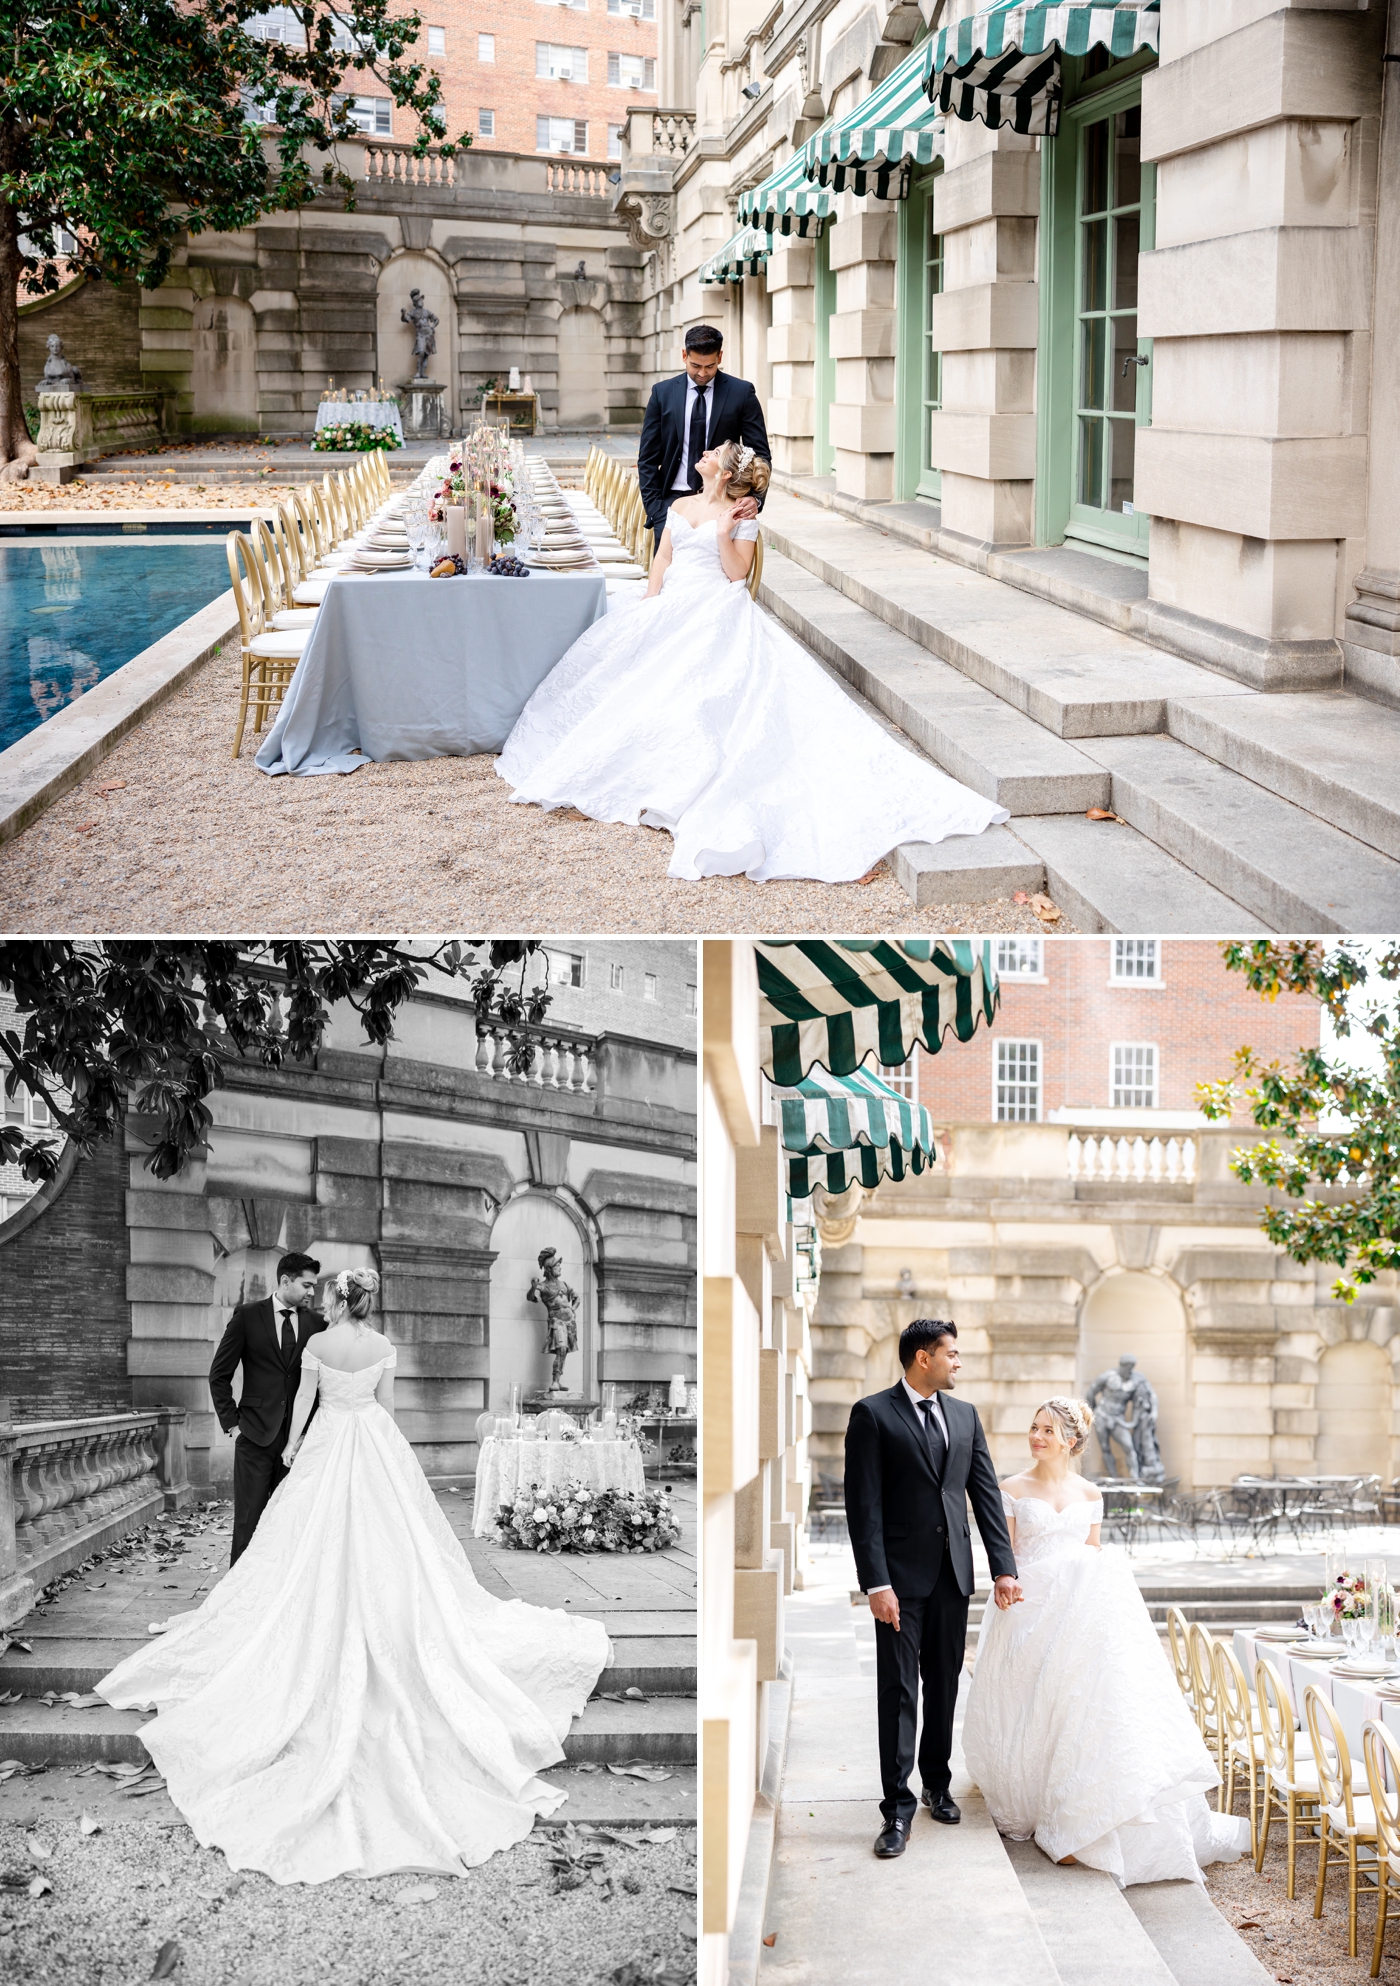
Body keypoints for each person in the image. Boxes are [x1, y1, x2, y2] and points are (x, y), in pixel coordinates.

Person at [98, 1268, 611, 1884]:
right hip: (372, 1443)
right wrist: (391, 1457)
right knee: (397, 1544)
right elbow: (386, 1411)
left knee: (301, 1541)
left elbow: (307, 1407)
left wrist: (289, 1450)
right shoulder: (383, 1346)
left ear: (338, 1300)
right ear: (368, 1301)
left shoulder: (317, 1344)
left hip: (329, 1441)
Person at [496, 440, 1009, 883]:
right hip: (669, 603)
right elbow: (664, 557)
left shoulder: (741, 518)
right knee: (617, 675)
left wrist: (724, 532)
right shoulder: (680, 503)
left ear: (723, 472)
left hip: (714, 605)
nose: (703, 453)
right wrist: (651, 605)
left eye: (712, 453)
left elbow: (737, 575)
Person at [961, 1397, 1250, 1885]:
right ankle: (1029, 1796)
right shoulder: (1009, 1488)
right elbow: (1004, 1554)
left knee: (1083, 1707)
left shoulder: (1091, 1493)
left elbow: (1091, 1554)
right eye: (1034, 1427)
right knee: (1029, 1707)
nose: (1036, 1436)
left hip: (1079, 1617)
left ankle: (1084, 1809)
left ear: (1070, 1441)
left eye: (1047, 1430)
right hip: (1028, 1611)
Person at [843, 1320, 1021, 1859]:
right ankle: (896, 1810)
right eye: (952, 1355)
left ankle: (936, 1785)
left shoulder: (965, 1416)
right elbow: (863, 1507)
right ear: (924, 1358)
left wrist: (1003, 1568)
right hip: (897, 1580)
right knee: (898, 1691)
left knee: (943, 1684)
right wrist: (876, 1582)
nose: (958, 1364)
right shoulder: (872, 1414)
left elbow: (985, 1493)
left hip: (951, 1578)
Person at [208, 1250, 324, 1565]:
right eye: (306, 1285)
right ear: (285, 1280)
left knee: (292, 1526)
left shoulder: (318, 1323)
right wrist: (233, 1425)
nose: (312, 1292)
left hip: (300, 1443)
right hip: (255, 1437)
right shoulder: (247, 1315)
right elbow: (219, 1375)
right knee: (249, 1521)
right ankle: (238, 1599)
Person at [636, 324, 770, 549]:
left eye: (710, 366)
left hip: (722, 503)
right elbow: (647, 458)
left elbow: (760, 454)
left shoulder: (741, 393)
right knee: (668, 574)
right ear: (684, 355)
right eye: (695, 365)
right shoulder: (662, 393)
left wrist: (756, 498)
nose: (702, 373)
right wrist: (656, 510)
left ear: (720, 356)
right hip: (672, 503)